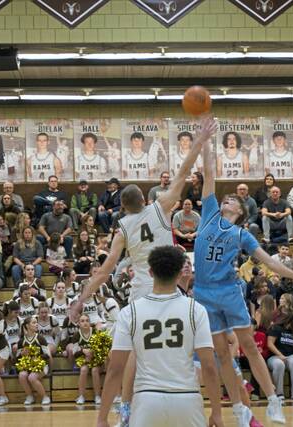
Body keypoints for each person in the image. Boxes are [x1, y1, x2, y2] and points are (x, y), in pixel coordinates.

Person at [78, 116, 217, 427]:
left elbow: (103, 273)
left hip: (142, 289)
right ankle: (172, 392)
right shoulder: (159, 206)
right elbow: (182, 173)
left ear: (123, 208)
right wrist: (199, 140)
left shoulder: (122, 228)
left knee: (133, 354)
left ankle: (125, 409)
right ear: (144, 199)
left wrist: (80, 300)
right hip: (166, 284)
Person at [193, 125, 293, 427]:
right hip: (203, 293)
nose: (226, 200)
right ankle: (239, 410)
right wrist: (206, 142)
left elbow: (269, 263)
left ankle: (273, 399)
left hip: (228, 291)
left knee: (247, 344)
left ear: (241, 210)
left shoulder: (242, 234)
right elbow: (209, 174)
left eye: (232, 200)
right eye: (226, 198)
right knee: (222, 356)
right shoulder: (208, 213)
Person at [96, 246, 224, 427]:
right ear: (180, 273)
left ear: (150, 272)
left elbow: (116, 369)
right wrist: (217, 413)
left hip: (146, 400)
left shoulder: (130, 312)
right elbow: (209, 366)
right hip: (187, 399)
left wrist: (102, 418)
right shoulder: (196, 309)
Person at [266, 306, 293, 400]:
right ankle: (279, 393)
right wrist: (280, 355)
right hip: (274, 357)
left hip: (289, 356)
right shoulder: (276, 328)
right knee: (279, 364)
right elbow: (270, 344)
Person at [17, 316, 52, 406]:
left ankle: (45, 397)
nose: (36, 324)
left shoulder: (40, 338)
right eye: (34, 323)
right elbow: (16, 359)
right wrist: (22, 354)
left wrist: (37, 357)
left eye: (36, 322)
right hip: (28, 366)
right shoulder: (21, 341)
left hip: (41, 366)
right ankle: (30, 396)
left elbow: (47, 355)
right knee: (22, 375)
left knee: (32, 377)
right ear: (27, 326)